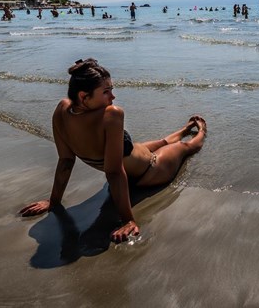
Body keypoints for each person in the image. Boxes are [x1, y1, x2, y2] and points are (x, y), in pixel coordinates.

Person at [19, 59, 207, 242]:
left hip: (133, 156)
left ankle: (183, 130)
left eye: (112, 90)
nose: (113, 97)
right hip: (151, 171)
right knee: (185, 147)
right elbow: (114, 172)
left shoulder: (62, 110)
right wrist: (128, 220)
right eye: (106, 91)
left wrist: (54, 201)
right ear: (84, 96)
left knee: (161, 142)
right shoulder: (112, 114)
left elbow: (66, 160)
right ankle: (202, 130)